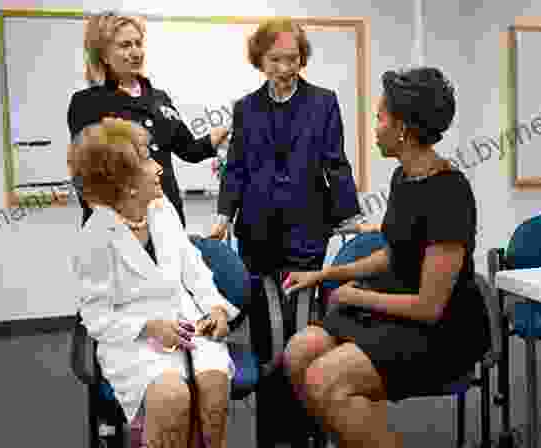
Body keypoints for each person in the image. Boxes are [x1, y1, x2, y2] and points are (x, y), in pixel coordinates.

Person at [282, 67, 491, 448]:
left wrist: (354, 295)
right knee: (298, 353)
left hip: (441, 329)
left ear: (404, 129)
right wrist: (326, 274)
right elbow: (392, 255)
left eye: (380, 117)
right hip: (397, 308)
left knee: (324, 379)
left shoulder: (449, 193)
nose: (374, 127)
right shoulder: (403, 178)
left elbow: (429, 306)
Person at [209, 18, 362, 446]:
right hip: (257, 232)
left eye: (292, 59)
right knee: (265, 335)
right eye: (276, 59)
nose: (285, 67)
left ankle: (306, 430)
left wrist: (348, 215)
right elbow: (236, 168)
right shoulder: (246, 108)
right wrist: (224, 215)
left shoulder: (324, 102)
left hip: (306, 232)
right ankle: (272, 432)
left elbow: (335, 162)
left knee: (301, 334)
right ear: (260, 60)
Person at [68, 118, 239, 448]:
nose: (159, 168)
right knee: (172, 398)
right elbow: (97, 318)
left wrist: (216, 308)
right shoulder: (94, 239)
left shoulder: (162, 210)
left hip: (188, 324)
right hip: (134, 340)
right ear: (126, 182)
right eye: (148, 160)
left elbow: (196, 270)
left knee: (214, 387)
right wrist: (149, 327)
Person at [68, 11, 228, 228]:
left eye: (138, 43)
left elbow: (189, 150)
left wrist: (224, 130)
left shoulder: (159, 98)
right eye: (125, 45)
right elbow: (87, 173)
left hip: (168, 218)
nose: (135, 52)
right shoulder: (88, 103)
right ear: (104, 55)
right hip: (124, 224)